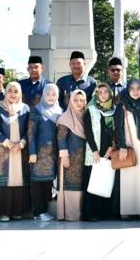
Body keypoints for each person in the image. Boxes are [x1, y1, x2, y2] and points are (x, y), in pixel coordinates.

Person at [0, 81, 30, 221]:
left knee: (18, 179)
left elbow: (29, 129)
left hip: (19, 150)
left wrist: (22, 142)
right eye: (10, 91)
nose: (12, 94)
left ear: (20, 93)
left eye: (15, 91)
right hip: (2, 150)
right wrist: (6, 142)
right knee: (4, 180)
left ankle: (17, 211)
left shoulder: (25, 108)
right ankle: (2, 212)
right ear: (5, 92)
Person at [83, 83, 120, 221]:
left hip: (110, 151)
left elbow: (117, 131)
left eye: (106, 92)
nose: (103, 95)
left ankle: (106, 213)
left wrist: (112, 147)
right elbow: (88, 132)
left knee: (106, 181)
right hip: (95, 151)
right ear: (96, 95)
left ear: (110, 94)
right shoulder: (91, 109)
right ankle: (92, 214)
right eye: (100, 92)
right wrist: (94, 151)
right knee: (94, 182)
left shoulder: (115, 110)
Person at [114, 79, 140, 220]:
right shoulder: (122, 105)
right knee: (128, 175)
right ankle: (127, 210)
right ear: (127, 90)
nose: (135, 91)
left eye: (138, 88)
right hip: (128, 144)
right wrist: (122, 146)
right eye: (132, 88)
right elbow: (118, 128)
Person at [28, 83, 61, 222]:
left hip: (53, 155)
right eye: (48, 94)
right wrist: (32, 152)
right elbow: (30, 133)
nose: (51, 97)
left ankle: (43, 211)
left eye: (54, 94)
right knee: (37, 183)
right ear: (43, 95)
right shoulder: (36, 111)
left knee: (48, 183)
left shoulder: (60, 111)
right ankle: (38, 211)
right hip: (39, 154)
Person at [56, 89, 88, 221]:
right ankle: (70, 214)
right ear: (70, 101)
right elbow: (61, 138)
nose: (79, 103)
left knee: (82, 184)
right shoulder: (65, 117)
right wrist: (64, 156)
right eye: (75, 100)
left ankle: (81, 213)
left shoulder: (86, 116)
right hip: (70, 158)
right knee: (70, 184)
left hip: (84, 158)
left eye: (81, 100)